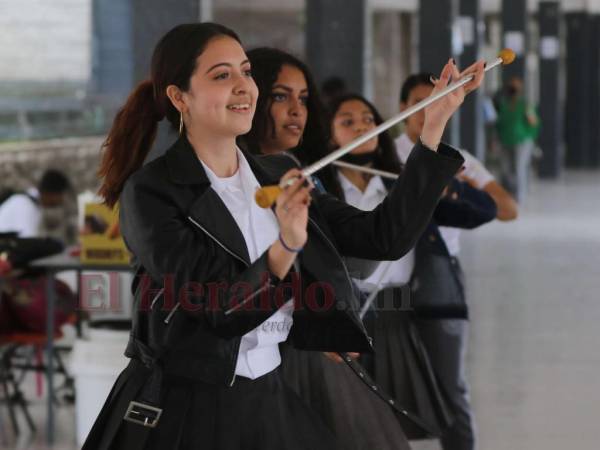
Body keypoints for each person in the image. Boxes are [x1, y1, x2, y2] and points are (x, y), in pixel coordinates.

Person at [84, 22, 483, 450]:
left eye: (246, 71)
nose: (244, 87)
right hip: (187, 406)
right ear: (180, 97)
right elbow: (218, 307)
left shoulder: (276, 173)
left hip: (268, 394)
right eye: (222, 75)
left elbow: (382, 237)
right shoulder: (151, 192)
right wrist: (285, 248)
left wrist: (432, 130)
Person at [240, 47, 409, 450]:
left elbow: (363, 257)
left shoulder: (304, 177)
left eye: (303, 99)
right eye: (280, 96)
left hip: (307, 354)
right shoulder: (223, 181)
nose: (296, 110)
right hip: (249, 363)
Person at [325, 92, 498, 441]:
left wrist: (441, 185)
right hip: (345, 315)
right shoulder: (320, 189)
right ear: (330, 136)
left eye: (369, 120)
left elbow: (486, 210)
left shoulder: (404, 183)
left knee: (421, 408)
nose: (361, 125)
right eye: (347, 121)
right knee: (349, 415)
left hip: (400, 310)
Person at [396, 73, 518, 450]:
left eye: (436, 101)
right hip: (382, 281)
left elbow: (508, 208)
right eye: (419, 101)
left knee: (449, 387)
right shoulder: (382, 153)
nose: (427, 110)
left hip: (438, 283)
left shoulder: (456, 160)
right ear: (402, 108)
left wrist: (455, 191)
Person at [495, 76, 540, 203]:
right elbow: (499, 123)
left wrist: (529, 118)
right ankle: (507, 192)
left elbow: (534, 122)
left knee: (519, 167)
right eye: (511, 85)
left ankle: (519, 196)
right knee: (505, 168)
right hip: (505, 139)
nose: (513, 88)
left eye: (516, 86)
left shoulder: (525, 105)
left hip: (522, 140)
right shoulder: (504, 104)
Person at [0, 169, 73, 240]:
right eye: (61, 195)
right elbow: (27, 243)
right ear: (52, 194)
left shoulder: (31, 205)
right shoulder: (24, 205)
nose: (62, 200)